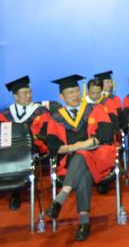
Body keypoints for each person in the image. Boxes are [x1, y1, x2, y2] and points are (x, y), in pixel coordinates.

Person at [43, 75, 116, 241]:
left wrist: (81, 145)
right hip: (74, 162)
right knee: (83, 168)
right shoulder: (56, 117)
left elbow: (106, 135)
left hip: (98, 155)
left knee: (82, 155)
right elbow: (54, 147)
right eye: (70, 92)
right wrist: (74, 148)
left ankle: (61, 198)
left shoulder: (94, 109)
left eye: (77, 91)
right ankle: (84, 221)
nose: (75, 95)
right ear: (62, 97)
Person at [1, 76, 51, 210]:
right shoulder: (5, 114)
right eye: (24, 93)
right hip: (10, 149)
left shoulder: (41, 111)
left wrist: (32, 137)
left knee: (22, 151)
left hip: (34, 147)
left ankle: (16, 192)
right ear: (15, 96)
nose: (29, 96)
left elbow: (47, 133)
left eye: (30, 92)